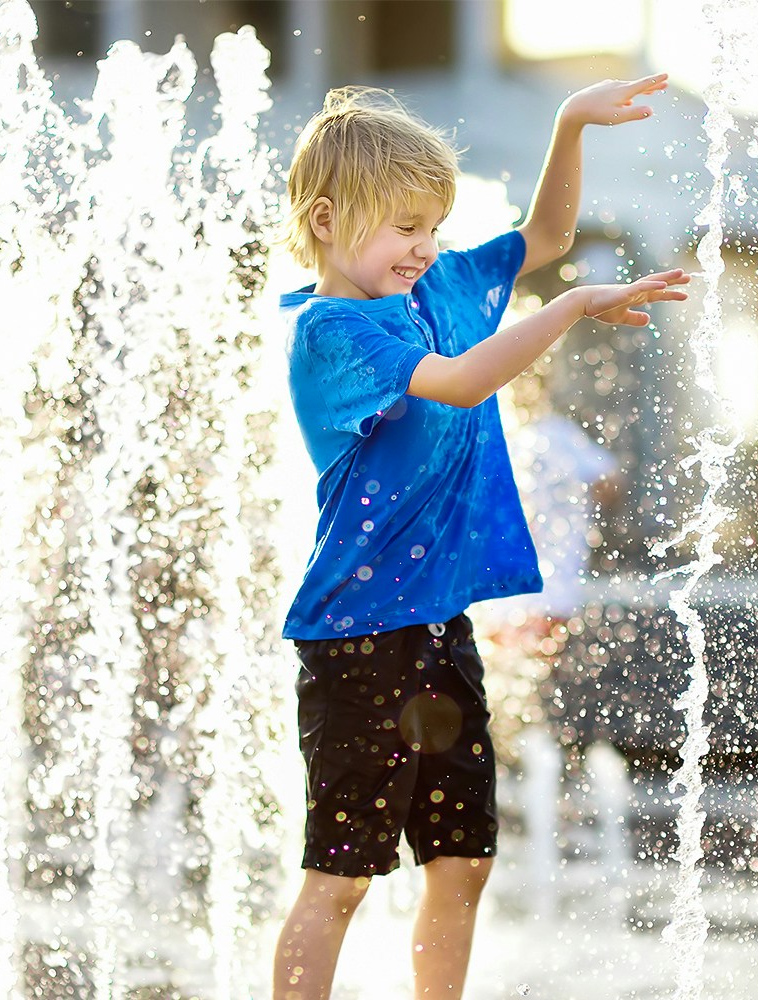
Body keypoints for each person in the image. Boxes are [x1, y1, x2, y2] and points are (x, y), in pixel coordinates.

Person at [273, 79, 689, 1000]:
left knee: (461, 862)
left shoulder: (442, 285)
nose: (425, 248)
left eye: (433, 227)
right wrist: (571, 309)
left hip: (439, 630)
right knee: (339, 876)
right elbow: (459, 384)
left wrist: (570, 122)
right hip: (356, 638)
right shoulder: (332, 330)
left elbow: (545, 241)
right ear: (329, 217)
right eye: (404, 227)